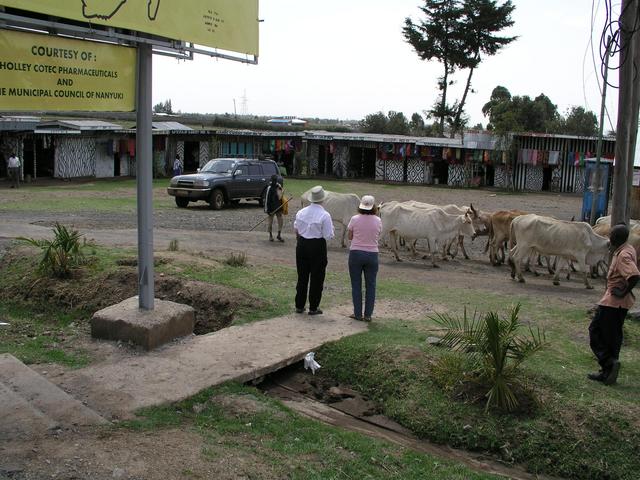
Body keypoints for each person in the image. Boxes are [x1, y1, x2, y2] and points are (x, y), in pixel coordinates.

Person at [588, 223, 640, 385]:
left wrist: (622, 291)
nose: (609, 237)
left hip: (613, 302)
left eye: (611, 235)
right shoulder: (628, 248)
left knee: (596, 331)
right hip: (618, 303)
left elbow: (634, 275)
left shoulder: (623, 255)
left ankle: (608, 362)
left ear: (615, 238)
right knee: (612, 337)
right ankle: (607, 372)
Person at [294, 185, 334, 315]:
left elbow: (296, 229)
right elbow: (328, 235)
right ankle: (313, 306)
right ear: (322, 199)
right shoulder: (325, 215)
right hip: (317, 245)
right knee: (317, 277)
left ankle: (299, 305)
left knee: (302, 276)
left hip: (302, 244)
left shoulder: (301, 212)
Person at [347, 195, 382, 322]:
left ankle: (357, 314)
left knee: (356, 285)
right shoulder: (378, 220)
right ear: (373, 207)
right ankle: (368, 315)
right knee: (371, 285)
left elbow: (350, 237)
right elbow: (378, 235)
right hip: (372, 254)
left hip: (356, 253)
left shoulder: (354, 219)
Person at [265, 174, 284, 242]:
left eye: (275, 180)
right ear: (271, 180)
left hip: (278, 207)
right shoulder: (269, 188)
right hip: (271, 208)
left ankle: (279, 234)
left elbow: (281, 197)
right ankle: (270, 235)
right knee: (270, 222)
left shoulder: (278, 186)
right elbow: (267, 200)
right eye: (274, 180)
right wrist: (267, 210)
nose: (274, 181)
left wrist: (282, 207)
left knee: (281, 221)